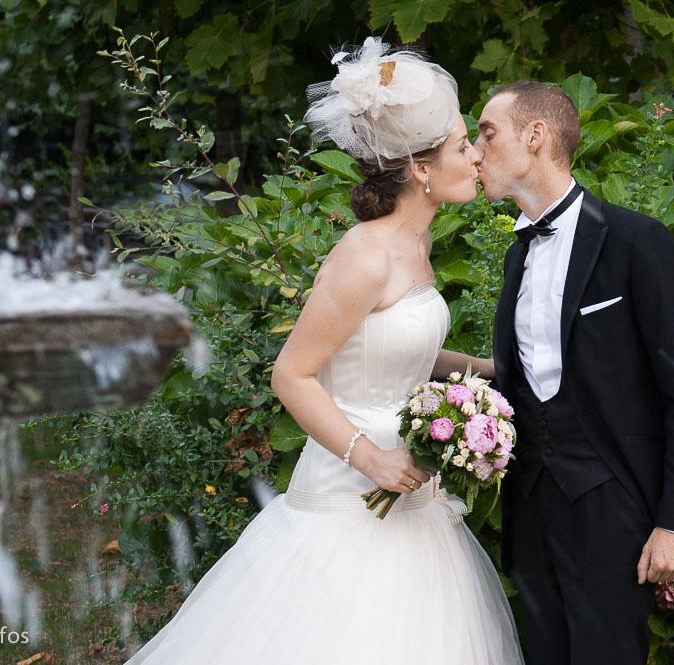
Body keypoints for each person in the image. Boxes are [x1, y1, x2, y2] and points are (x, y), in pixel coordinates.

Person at [123, 38, 524, 665]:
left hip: (411, 492)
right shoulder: (365, 257)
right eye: (460, 146)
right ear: (420, 168)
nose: (475, 157)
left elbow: (399, 346)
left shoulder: (415, 247)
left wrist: (491, 375)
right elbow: (293, 374)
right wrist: (370, 460)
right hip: (350, 492)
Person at [475, 81, 674, 665]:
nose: (475, 149)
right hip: (531, 505)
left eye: (488, 133)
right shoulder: (518, 255)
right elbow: (530, 372)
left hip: (613, 508)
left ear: (535, 136)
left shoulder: (638, 242)